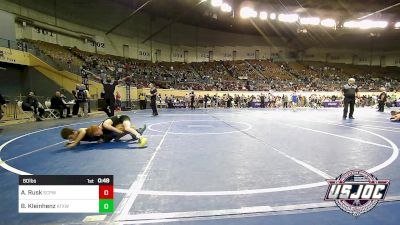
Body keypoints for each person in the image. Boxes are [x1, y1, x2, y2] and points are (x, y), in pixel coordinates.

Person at [61, 124, 146, 149]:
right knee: (116, 138)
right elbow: (78, 140)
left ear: (73, 132)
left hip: (103, 133)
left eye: (70, 137)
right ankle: (133, 133)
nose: (72, 139)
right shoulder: (77, 138)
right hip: (104, 139)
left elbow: (83, 132)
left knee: (118, 132)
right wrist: (70, 143)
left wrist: (74, 143)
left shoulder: (80, 130)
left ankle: (137, 131)